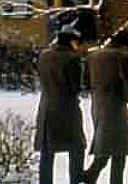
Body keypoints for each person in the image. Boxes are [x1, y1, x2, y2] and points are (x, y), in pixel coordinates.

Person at [84, 29, 128, 184]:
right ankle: (107, 179)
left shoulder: (94, 56)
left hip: (97, 104)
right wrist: (126, 95)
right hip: (115, 106)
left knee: (106, 145)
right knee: (119, 150)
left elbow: (85, 82)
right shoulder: (124, 57)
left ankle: (90, 175)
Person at [34, 24, 88, 184]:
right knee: (77, 147)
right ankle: (75, 180)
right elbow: (75, 87)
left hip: (46, 107)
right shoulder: (72, 59)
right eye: (77, 43)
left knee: (47, 150)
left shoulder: (44, 56)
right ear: (71, 42)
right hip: (66, 109)